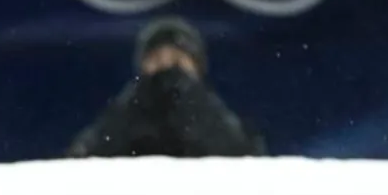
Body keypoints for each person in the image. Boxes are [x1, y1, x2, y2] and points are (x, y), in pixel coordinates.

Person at [66, 16, 265, 158]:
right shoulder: (127, 107)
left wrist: (189, 99)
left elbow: (242, 157)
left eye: (177, 60)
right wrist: (142, 99)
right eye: (157, 60)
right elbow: (86, 156)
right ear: (143, 66)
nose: (167, 68)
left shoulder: (213, 112)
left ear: (196, 67)